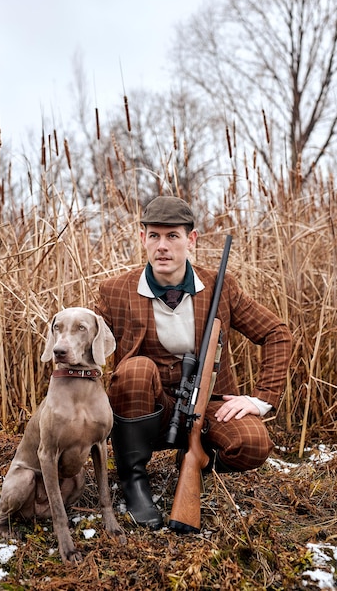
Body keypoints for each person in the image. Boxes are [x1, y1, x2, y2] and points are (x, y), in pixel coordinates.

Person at [95, 196, 292, 530]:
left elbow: (276, 332)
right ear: (142, 238)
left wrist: (260, 399)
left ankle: (196, 458)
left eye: (173, 236)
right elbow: (89, 341)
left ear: (192, 239)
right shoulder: (115, 291)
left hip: (206, 405)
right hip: (148, 409)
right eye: (154, 235)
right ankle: (133, 480)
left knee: (253, 444)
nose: (162, 246)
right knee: (135, 369)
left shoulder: (220, 286)